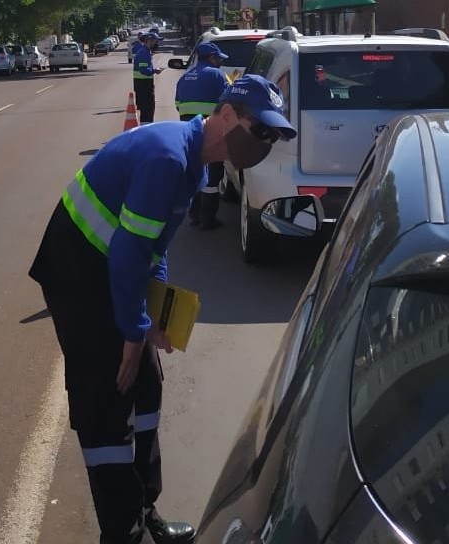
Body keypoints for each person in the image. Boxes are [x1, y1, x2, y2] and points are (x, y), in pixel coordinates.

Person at [28, 75, 297, 544]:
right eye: (262, 131)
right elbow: (129, 252)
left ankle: (143, 507)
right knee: (107, 398)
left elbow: (152, 249)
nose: (267, 143)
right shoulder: (168, 158)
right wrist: (133, 332)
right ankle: (122, 532)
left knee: (147, 385)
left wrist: (157, 312)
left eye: (273, 136)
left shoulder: (193, 163)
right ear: (228, 116)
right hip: (78, 270)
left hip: (113, 264)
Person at [175, 42, 234, 230]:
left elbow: (178, 104)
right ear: (211, 58)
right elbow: (229, 101)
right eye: (218, 59)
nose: (219, 63)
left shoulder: (185, 77)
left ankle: (194, 214)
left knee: (194, 170)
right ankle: (208, 218)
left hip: (189, 133)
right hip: (210, 132)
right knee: (213, 174)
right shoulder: (217, 75)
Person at [133, 33, 164, 123]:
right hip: (144, 85)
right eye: (155, 41)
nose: (156, 44)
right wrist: (155, 70)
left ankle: (146, 128)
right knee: (147, 110)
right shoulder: (144, 52)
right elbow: (143, 70)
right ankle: (146, 130)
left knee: (147, 110)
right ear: (149, 41)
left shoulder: (145, 51)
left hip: (143, 84)